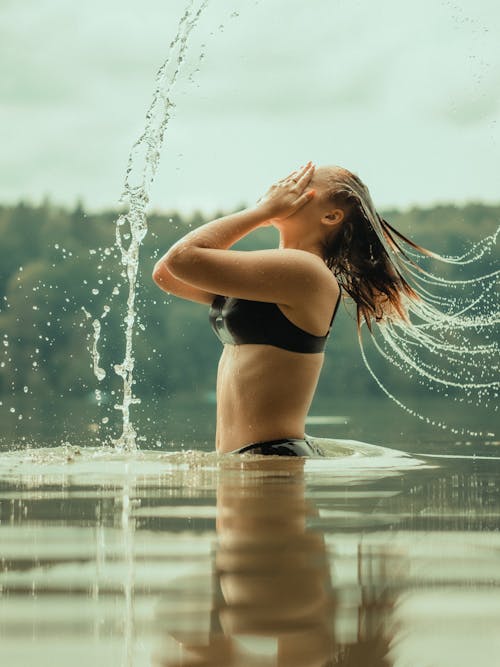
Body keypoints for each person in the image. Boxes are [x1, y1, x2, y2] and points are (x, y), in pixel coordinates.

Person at [151, 162, 438, 455]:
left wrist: (260, 212)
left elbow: (182, 259)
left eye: (303, 183)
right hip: (248, 462)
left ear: (331, 216)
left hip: (272, 458)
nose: (286, 184)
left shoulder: (307, 271)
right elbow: (167, 275)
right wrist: (261, 214)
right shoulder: (273, 275)